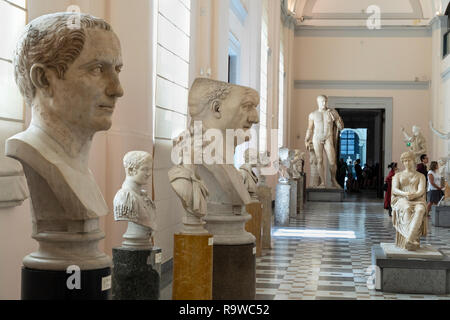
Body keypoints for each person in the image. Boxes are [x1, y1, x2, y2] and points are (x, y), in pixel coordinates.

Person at [305, 95, 344, 188]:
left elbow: (341, 127)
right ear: (318, 102)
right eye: (322, 101)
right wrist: (306, 139)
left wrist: (336, 119)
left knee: (332, 162)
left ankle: (333, 179)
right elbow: (310, 129)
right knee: (319, 160)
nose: (324, 103)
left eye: (325, 101)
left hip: (328, 137)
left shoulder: (332, 112)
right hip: (317, 138)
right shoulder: (313, 114)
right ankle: (322, 182)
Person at [391, 151, 427, 251]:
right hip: (401, 199)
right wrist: (405, 194)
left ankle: (409, 239)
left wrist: (414, 195)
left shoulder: (421, 176)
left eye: (409, 160)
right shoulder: (398, 175)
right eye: (405, 161)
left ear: (413, 161)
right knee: (406, 208)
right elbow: (395, 189)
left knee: (420, 210)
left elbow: (421, 190)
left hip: (418, 199)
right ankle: (410, 239)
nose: (407, 163)